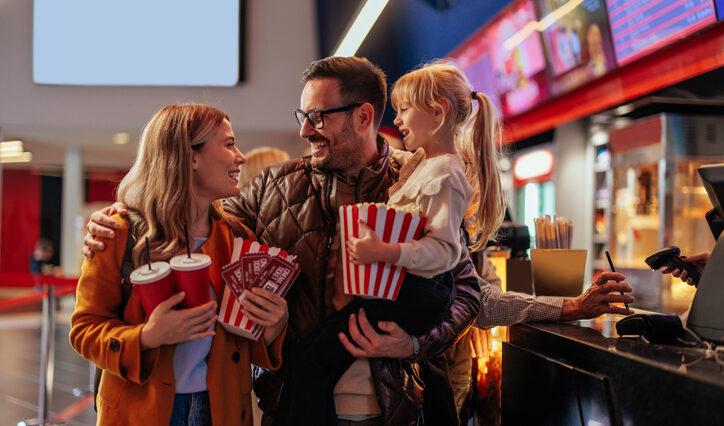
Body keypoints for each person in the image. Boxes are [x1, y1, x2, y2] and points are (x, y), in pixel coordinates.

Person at [82, 57, 634, 425]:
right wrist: (116, 219)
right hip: (294, 405)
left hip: (400, 402)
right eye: (303, 115)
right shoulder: (274, 187)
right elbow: (188, 212)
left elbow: (468, 292)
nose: (304, 130)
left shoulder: (422, 182)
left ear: (365, 115)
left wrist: (415, 343)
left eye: (317, 116)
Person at [276, 60, 504, 424]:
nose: (396, 120)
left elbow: (450, 260)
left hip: (416, 299)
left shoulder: (444, 174)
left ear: (437, 112)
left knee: (312, 363)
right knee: (312, 364)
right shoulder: (425, 168)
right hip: (407, 295)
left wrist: (384, 252)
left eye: (404, 110)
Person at [70, 104, 289, 425]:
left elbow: (245, 341)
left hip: (221, 409)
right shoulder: (118, 232)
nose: (240, 157)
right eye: (229, 144)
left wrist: (273, 325)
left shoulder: (237, 237)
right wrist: (147, 337)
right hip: (142, 410)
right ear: (191, 156)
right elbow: (84, 330)